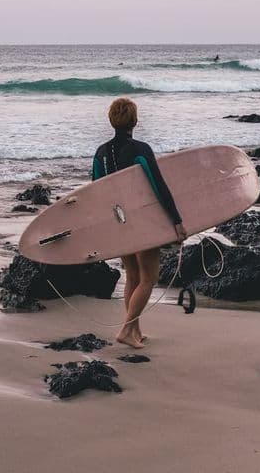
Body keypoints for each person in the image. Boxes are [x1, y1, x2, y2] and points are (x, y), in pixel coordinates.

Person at [91, 97, 186, 348]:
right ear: (135, 120)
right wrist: (176, 222)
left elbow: (97, 195)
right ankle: (125, 330)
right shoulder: (141, 149)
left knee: (132, 276)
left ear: (111, 121)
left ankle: (135, 331)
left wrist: (104, 229)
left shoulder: (100, 153)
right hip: (143, 223)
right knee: (148, 279)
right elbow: (159, 188)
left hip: (119, 224)